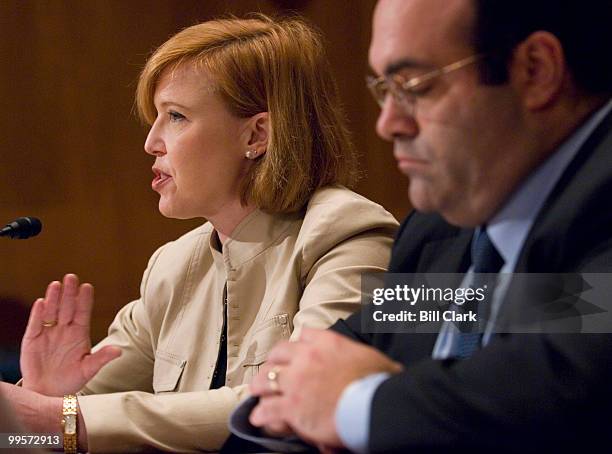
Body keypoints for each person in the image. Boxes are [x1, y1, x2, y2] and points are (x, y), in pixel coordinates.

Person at [0, 14, 398, 453]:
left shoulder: (347, 235)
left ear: (257, 134)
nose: (151, 142)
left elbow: (296, 400)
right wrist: (47, 396)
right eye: (155, 117)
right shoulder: (173, 267)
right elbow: (51, 431)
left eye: (175, 116)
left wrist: (57, 417)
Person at [245, 0, 612, 451]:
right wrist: (291, 388)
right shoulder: (439, 229)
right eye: (385, 89)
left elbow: (570, 372)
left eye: (414, 86)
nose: (388, 123)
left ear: (535, 71)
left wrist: (357, 404)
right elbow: (348, 346)